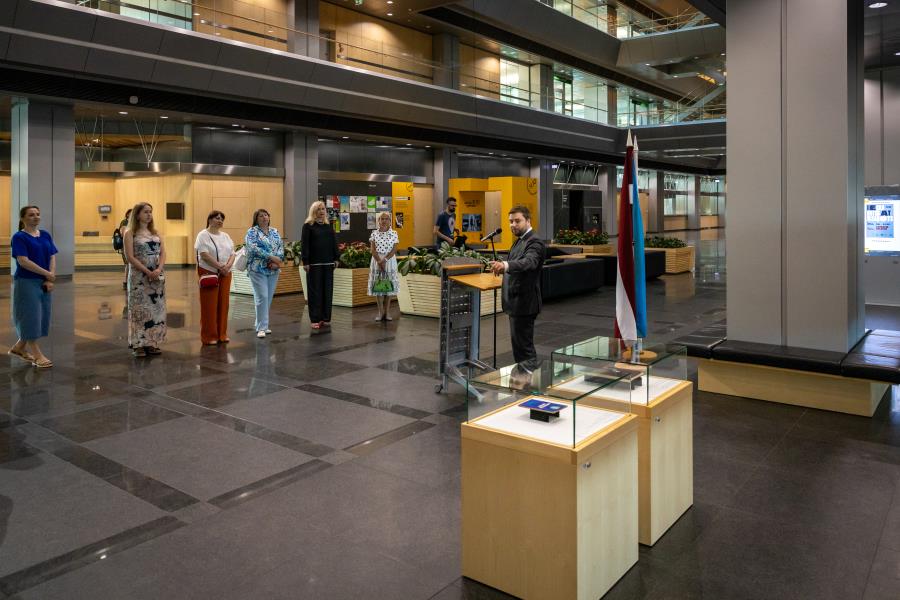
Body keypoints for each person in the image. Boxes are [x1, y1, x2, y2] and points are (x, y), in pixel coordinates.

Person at [489, 205, 545, 372]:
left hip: (524, 303)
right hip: (516, 303)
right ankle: (524, 378)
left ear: (528, 221)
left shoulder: (534, 241)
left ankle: (529, 379)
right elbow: (517, 263)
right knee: (519, 347)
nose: (513, 224)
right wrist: (502, 265)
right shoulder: (520, 241)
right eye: (511, 221)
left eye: (517, 221)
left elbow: (529, 262)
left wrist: (506, 265)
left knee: (524, 349)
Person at [8, 205, 57, 368]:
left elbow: (52, 256)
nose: (36, 217)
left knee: (41, 316)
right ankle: (37, 355)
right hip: (26, 282)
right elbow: (23, 261)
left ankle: (19, 348)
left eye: (37, 214)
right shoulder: (19, 237)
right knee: (30, 317)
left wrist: (50, 277)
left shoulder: (45, 235)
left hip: (44, 282)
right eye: (31, 215)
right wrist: (47, 273)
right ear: (23, 218)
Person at [124, 202, 167, 357]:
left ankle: (152, 342)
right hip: (139, 277)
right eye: (145, 212)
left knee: (156, 309)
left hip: (156, 276)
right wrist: (147, 271)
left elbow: (163, 253)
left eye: (150, 212)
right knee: (140, 310)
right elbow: (130, 257)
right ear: (137, 215)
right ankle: (138, 344)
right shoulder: (130, 233)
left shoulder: (155, 232)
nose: (149, 215)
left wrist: (158, 269)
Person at [195, 210, 235, 345]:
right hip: (209, 272)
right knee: (209, 305)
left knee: (224, 304)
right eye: (217, 218)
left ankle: (222, 334)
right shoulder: (202, 235)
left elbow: (233, 253)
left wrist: (227, 266)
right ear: (209, 220)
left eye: (222, 219)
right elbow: (204, 255)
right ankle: (209, 336)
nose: (220, 221)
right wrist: (220, 267)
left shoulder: (226, 236)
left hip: (225, 273)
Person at [245, 208, 284, 338]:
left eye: (266, 215)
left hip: (273, 269)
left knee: (268, 297)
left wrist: (277, 262)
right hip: (257, 268)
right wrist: (271, 257)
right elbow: (253, 248)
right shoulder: (252, 232)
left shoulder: (275, 231)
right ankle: (262, 328)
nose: (264, 217)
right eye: (261, 216)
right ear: (256, 219)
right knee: (262, 296)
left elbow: (280, 248)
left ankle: (260, 323)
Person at [301, 200, 339, 330]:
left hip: (328, 263)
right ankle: (315, 319)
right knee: (315, 292)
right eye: (319, 209)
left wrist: (336, 258)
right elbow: (305, 244)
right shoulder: (308, 226)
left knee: (327, 291)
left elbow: (334, 242)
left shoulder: (328, 226)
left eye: (323, 209)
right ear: (314, 211)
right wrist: (305, 261)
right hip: (314, 264)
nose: (321, 211)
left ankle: (325, 317)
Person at [368, 211, 400, 322]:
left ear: (390, 221)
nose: (384, 221)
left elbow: (394, 249)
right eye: (382, 219)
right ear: (378, 221)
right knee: (379, 287)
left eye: (386, 219)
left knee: (388, 288)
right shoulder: (374, 233)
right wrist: (379, 261)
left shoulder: (394, 233)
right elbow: (372, 250)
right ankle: (380, 312)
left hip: (389, 261)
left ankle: (387, 312)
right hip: (377, 261)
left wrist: (385, 260)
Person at [116, 208, 132, 289]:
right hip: (125, 246)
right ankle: (125, 282)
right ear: (127, 214)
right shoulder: (124, 222)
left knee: (131, 264)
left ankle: (130, 282)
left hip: (132, 245)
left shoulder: (135, 222)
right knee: (128, 264)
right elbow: (123, 233)